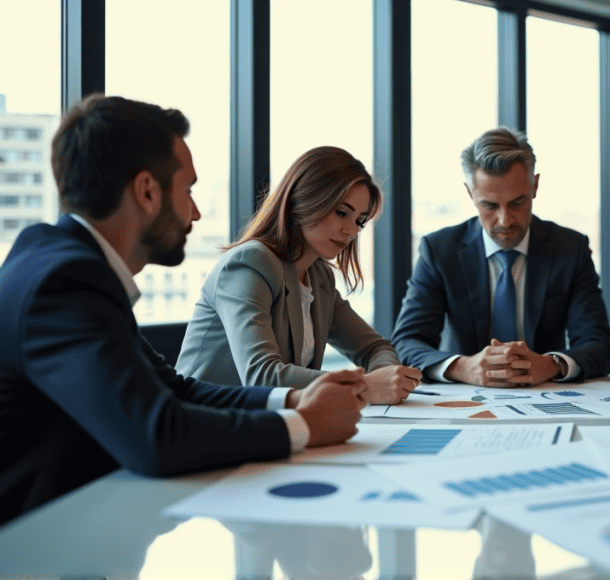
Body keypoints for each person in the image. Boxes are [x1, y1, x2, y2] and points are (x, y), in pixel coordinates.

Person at [0, 95, 365, 526]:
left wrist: (293, 399)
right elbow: (156, 436)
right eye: (188, 190)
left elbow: (174, 387)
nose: (194, 212)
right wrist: (302, 426)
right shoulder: (63, 283)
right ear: (147, 192)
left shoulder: (66, 265)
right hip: (40, 549)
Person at [175, 146, 421, 404]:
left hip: (270, 425)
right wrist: (364, 386)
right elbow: (262, 376)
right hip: (204, 425)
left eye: (360, 221)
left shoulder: (319, 278)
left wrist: (387, 379)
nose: (351, 231)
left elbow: (374, 348)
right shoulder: (249, 264)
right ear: (303, 200)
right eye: (341, 212)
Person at [391, 127, 610, 387]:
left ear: (535, 185)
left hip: (544, 397)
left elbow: (599, 346)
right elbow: (406, 342)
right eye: (489, 205)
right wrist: (464, 367)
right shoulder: (439, 250)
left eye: (517, 202)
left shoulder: (570, 249)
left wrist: (551, 364)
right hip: (465, 401)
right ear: (470, 193)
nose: (505, 220)